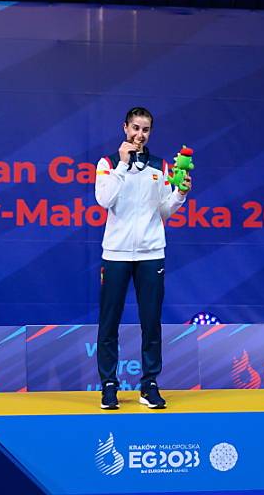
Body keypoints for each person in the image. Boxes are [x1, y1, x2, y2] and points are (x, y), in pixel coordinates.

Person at [93, 107, 190, 410]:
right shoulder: (108, 163)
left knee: (152, 322)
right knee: (109, 322)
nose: (139, 135)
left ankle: (149, 385)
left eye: (145, 130)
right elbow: (104, 200)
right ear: (125, 128)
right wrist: (122, 166)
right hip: (116, 254)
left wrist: (179, 195)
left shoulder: (160, 167)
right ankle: (109, 385)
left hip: (151, 253)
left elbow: (162, 212)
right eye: (135, 128)